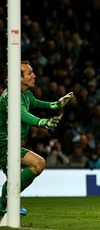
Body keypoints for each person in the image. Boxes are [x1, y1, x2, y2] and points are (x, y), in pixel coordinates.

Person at [0, 60, 73, 215]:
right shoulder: (12, 97)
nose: (34, 75)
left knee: (18, 177)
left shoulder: (24, 93)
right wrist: (42, 122)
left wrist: (55, 105)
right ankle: (6, 201)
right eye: (29, 73)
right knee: (37, 164)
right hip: (3, 146)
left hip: (11, 145)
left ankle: (8, 202)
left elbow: (34, 102)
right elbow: (22, 114)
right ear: (18, 78)